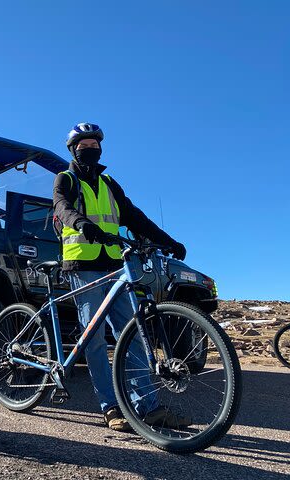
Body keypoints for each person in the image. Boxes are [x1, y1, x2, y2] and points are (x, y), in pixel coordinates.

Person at [53, 123, 190, 431]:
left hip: (115, 266)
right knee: (96, 340)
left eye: (94, 144)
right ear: (73, 149)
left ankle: (147, 407)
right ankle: (110, 407)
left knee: (132, 336)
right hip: (83, 267)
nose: (90, 148)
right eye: (83, 144)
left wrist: (167, 240)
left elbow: (133, 215)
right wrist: (81, 223)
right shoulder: (67, 179)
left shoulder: (109, 182)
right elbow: (61, 207)